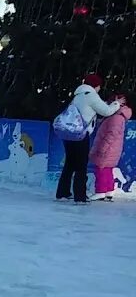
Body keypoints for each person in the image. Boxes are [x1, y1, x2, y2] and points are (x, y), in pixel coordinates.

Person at [57, 74, 125, 204]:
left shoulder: (79, 94)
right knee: (81, 165)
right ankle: (80, 196)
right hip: (80, 135)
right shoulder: (91, 95)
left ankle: (63, 192)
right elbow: (106, 111)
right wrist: (117, 104)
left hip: (69, 134)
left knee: (70, 164)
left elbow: (93, 108)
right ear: (96, 85)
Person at [89, 93, 130, 202]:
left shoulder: (116, 117)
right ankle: (108, 191)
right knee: (107, 170)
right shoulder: (117, 116)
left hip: (108, 149)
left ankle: (100, 191)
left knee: (101, 170)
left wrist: (103, 148)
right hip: (112, 149)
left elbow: (111, 135)